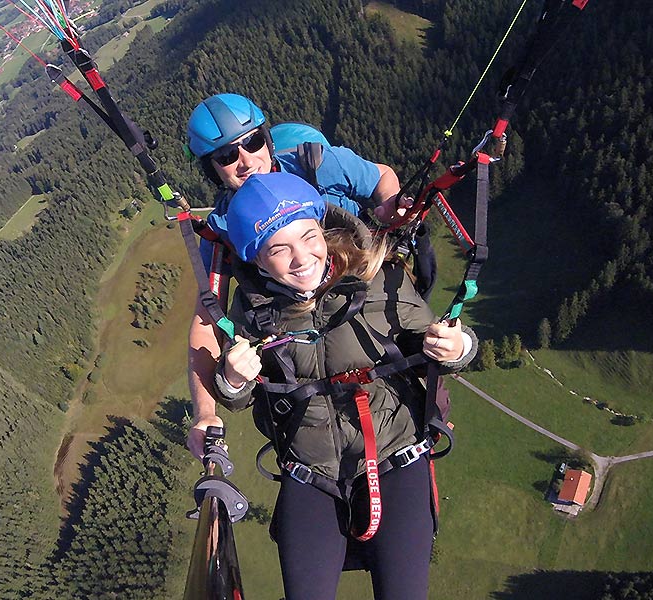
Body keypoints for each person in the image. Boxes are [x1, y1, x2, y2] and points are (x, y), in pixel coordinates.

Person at [210, 172, 478, 600]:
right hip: (311, 469)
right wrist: (234, 379)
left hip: (395, 454)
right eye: (279, 249)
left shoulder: (377, 280)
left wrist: (459, 346)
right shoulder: (252, 313)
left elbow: (438, 348)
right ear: (257, 261)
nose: (302, 258)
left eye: (308, 236)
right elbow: (240, 395)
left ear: (323, 229)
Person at [185, 93, 410, 459]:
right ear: (213, 169)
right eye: (227, 156)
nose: (246, 161)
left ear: (268, 139)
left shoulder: (317, 164)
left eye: (253, 142)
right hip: (307, 323)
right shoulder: (224, 229)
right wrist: (205, 412)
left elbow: (381, 177)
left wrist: (391, 212)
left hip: (366, 285)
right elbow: (206, 318)